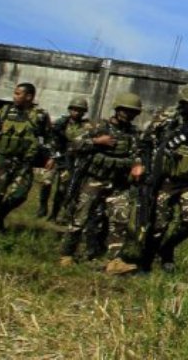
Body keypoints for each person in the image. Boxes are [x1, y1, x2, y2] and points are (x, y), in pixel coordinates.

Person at [106, 82, 188, 275]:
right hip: (165, 180)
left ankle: (167, 248)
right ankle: (146, 262)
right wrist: (140, 164)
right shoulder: (165, 119)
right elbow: (145, 143)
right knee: (157, 224)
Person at [60, 92, 144, 268]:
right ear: (117, 109)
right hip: (94, 180)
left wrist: (138, 165)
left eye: (132, 112)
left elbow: (137, 154)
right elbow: (74, 144)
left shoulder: (134, 133)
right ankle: (67, 254)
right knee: (80, 218)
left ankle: (114, 260)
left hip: (119, 183)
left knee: (120, 218)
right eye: (125, 110)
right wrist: (97, 141)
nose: (128, 115)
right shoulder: (97, 126)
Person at [0, 83, 52, 231]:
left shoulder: (40, 115)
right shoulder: (5, 112)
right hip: (2, 159)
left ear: (29, 96)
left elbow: (47, 138)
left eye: (19, 94)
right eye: (15, 93)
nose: (15, 96)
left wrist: (50, 157)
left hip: (24, 162)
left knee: (20, 195)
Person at [41, 96, 92, 222]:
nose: (76, 112)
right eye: (74, 109)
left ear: (84, 112)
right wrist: (52, 156)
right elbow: (53, 140)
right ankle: (42, 207)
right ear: (70, 109)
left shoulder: (86, 126)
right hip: (58, 156)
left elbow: (88, 143)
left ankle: (55, 213)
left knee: (63, 188)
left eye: (80, 110)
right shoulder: (61, 123)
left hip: (71, 161)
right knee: (46, 182)